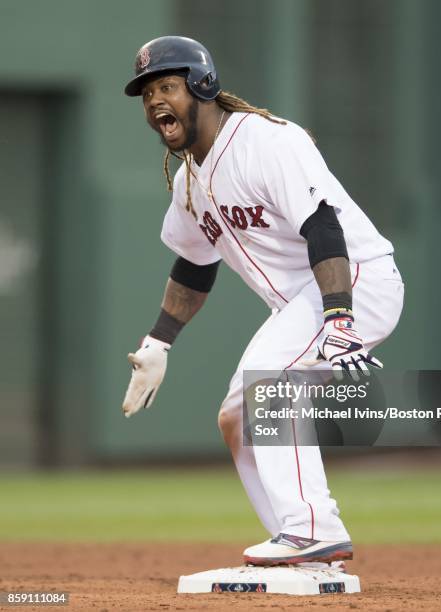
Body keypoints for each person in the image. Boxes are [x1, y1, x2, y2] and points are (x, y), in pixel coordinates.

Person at [122, 36, 404, 566]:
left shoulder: (267, 141)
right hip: (304, 303)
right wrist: (159, 342)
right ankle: (307, 547)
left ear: (203, 85)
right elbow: (193, 265)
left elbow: (323, 224)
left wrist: (338, 314)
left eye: (167, 85)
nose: (156, 100)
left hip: (354, 281)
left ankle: (311, 527)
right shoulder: (189, 181)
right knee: (237, 415)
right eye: (146, 94)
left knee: (267, 378)